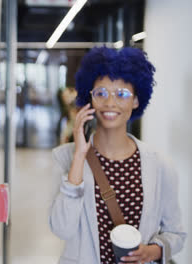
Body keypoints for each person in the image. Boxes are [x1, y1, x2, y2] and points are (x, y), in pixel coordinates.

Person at [49, 47, 186, 264]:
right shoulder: (65, 158)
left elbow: (176, 235)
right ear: (89, 99)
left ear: (136, 100)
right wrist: (79, 155)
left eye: (122, 94)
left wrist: (153, 251)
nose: (110, 103)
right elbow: (62, 228)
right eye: (101, 93)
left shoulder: (160, 165)